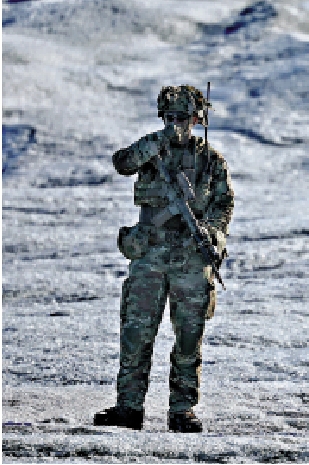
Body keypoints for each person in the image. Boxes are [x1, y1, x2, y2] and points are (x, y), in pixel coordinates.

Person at [94, 85, 233, 432]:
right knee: (136, 333)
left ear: (197, 119)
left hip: (189, 256)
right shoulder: (151, 150)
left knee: (189, 336)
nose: (176, 125)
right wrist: (154, 143)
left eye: (182, 119)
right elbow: (122, 163)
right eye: (169, 118)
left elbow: (223, 203)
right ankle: (128, 407)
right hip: (150, 254)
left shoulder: (210, 160)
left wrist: (212, 236)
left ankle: (182, 409)